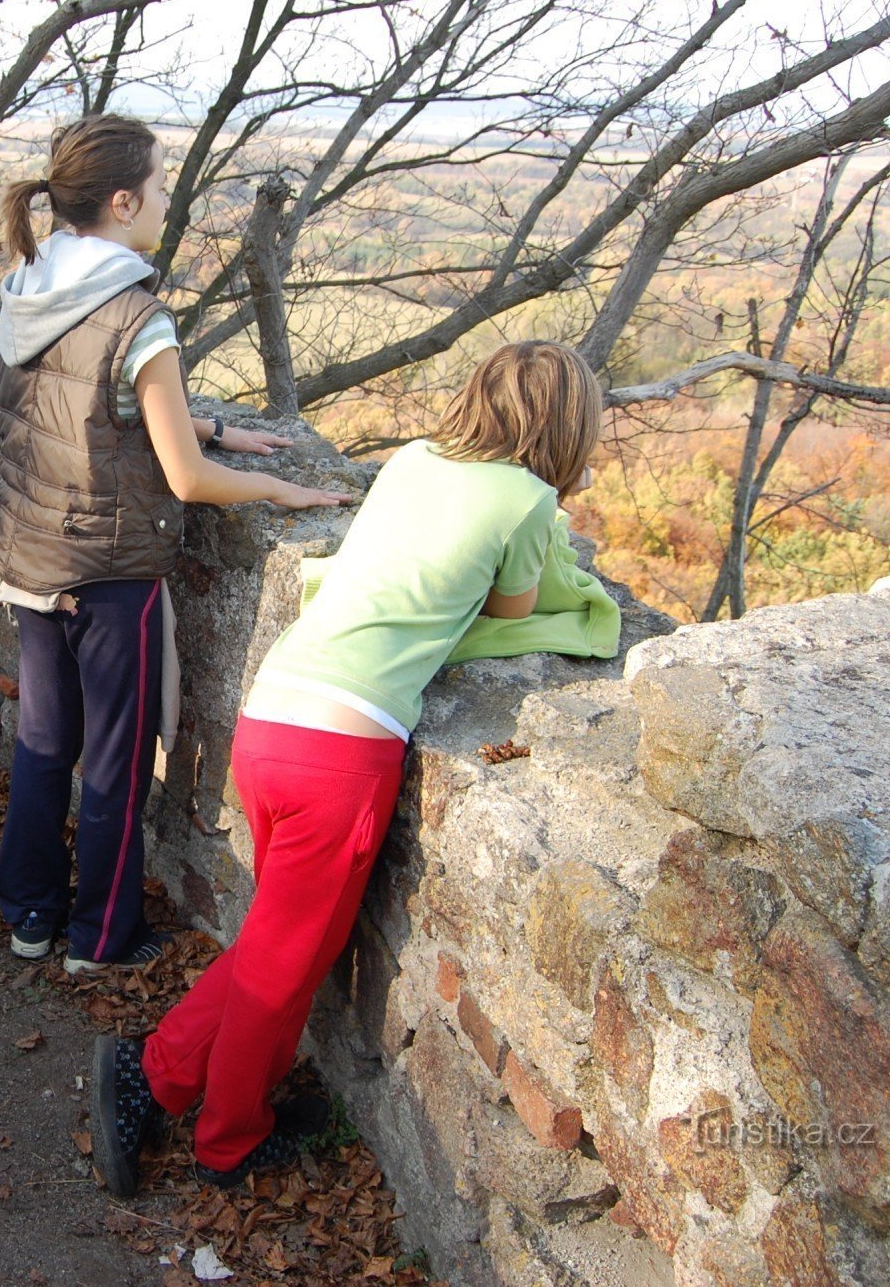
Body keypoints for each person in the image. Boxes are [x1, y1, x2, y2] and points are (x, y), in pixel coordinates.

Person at [87, 340, 609, 1192]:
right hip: (344, 752)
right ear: (567, 426)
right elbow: (515, 608)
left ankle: (153, 1073)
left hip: (273, 711)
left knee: (273, 945)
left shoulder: (410, 460)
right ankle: (229, 1140)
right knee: (285, 966)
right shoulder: (529, 500)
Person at [0, 114, 348, 976]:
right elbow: (185, 480)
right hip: (112, 574)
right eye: (158, 182)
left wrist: (212, 423)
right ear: (122, 200)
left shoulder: (30, 283)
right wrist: (278, 487)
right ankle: (101, 940)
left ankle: (29, 916)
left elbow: (79, 403)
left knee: (43, 746)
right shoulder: (139, 313)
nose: (166, 198)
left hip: (31, 557)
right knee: (114, 762)